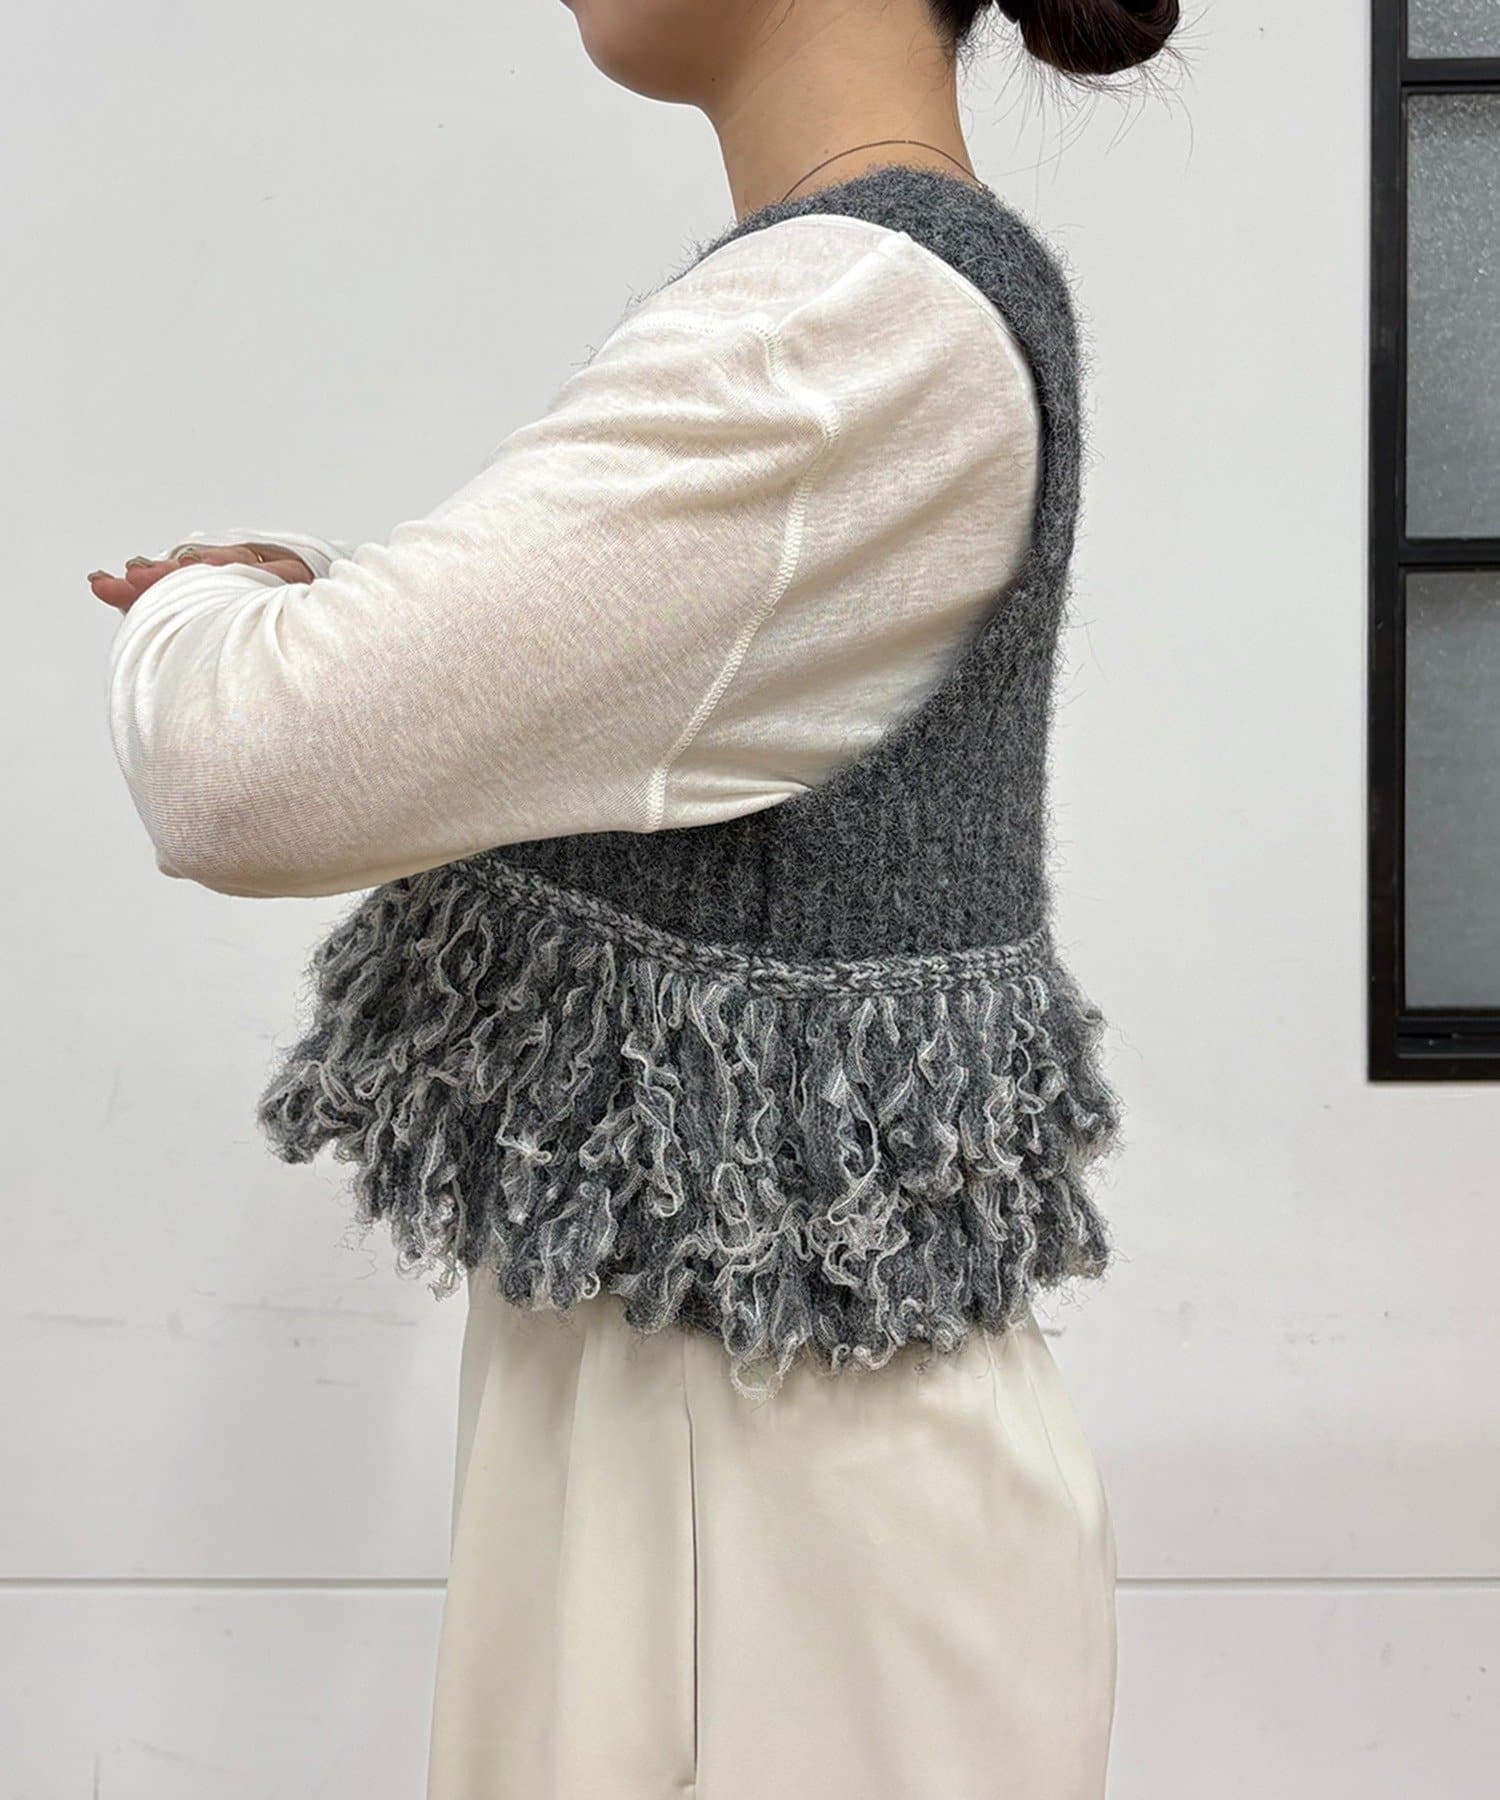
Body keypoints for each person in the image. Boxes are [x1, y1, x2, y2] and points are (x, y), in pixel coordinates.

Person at [94, 1, 1180, 1794]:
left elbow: (242, 763)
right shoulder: (863, 301)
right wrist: (323, 593)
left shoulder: (850, 324)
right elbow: (634, 678)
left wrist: (196, 611)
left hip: (766, 1527)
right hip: (737, 1469)